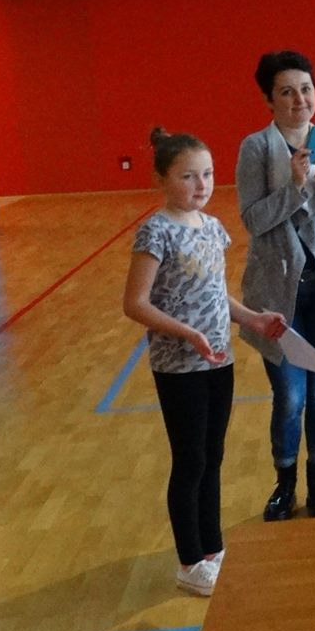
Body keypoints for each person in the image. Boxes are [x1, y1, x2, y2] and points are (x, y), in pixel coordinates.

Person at [120, 128, 287, 596]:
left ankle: (212, 549)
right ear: (161, 179)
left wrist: (252, 318)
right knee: (190, 458)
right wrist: (187, 333)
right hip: (179, 366)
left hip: (218, 360)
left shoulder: (212, 228)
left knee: (213, 455)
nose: (201, 185)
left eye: (208, 174)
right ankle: (189, 561)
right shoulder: (155, 231)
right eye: (188, 176)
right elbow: (135, 303)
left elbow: (215, 294)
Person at [237, 50, 315, 520]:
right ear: (269, 100)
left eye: (306, 89)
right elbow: (252, 219)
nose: (299, 99)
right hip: (277, 297)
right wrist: (294, 187)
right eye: (286, 92)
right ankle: (284, 485)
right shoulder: (255, 148)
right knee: (290, 398)